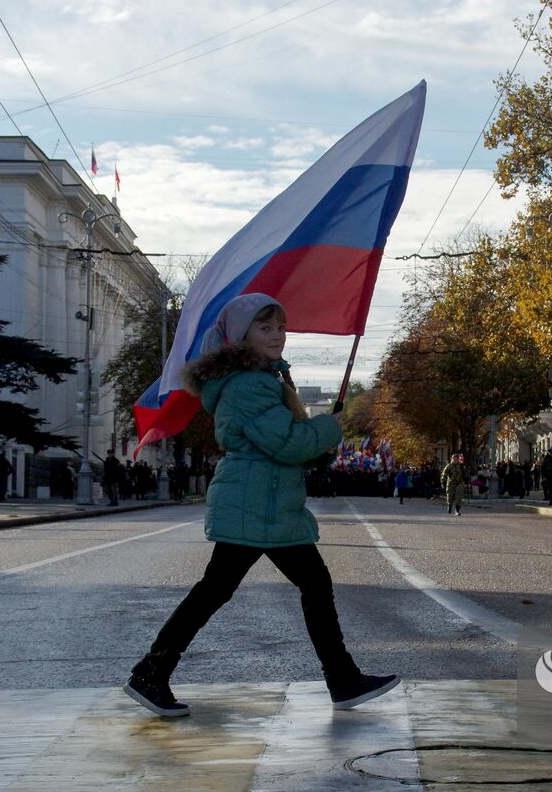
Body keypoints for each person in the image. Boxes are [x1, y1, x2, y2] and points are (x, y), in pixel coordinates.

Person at [124, 293, 395, 718]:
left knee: (225, 590)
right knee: (281, 587)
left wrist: (319, 445)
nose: (277, 335)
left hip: (264, 500)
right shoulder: (249, 384)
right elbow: (286, 444)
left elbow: (289, 443)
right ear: (240, 336)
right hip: (258, 502)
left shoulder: (264, 379)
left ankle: (152, 673)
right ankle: (341, 679)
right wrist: (327, 428)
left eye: (280, 327)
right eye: (265, 328)